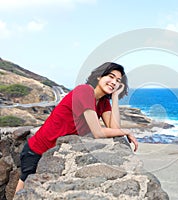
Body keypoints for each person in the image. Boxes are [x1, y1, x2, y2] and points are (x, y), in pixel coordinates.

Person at [15, 62, 138, 193]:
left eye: (118, 81)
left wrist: (115, 97)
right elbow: (97, 132)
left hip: (55, 151)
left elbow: (114, 127)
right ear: (99, 77)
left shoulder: (103, 102)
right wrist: (127, 131)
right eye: (111, 76)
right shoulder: (84, 91)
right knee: (23, 189)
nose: (114, 82)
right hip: (37, 149)